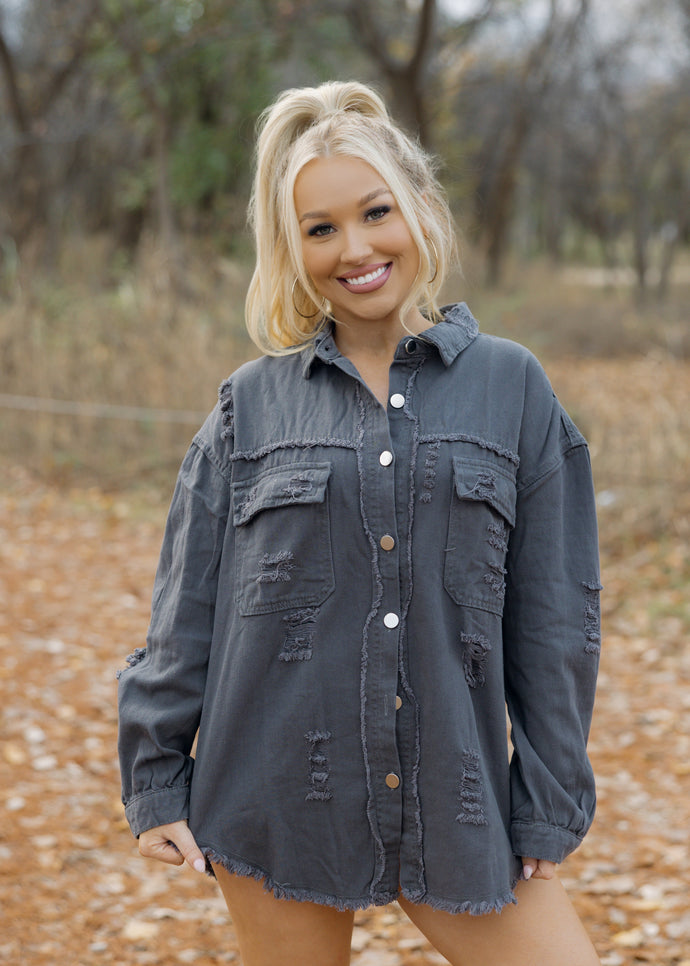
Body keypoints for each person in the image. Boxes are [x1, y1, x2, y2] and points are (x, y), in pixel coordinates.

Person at [117, 80, 602, 965]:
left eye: (376, 211)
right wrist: (154, 776)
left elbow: (558, 618)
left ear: (419, 208)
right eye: (320, 228)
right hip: (273, 796)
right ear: (291, 249)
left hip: (455, 795)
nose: (356, 248)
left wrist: (549, 794)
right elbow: (186, 610)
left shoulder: (514, 387)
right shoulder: (247, 408)